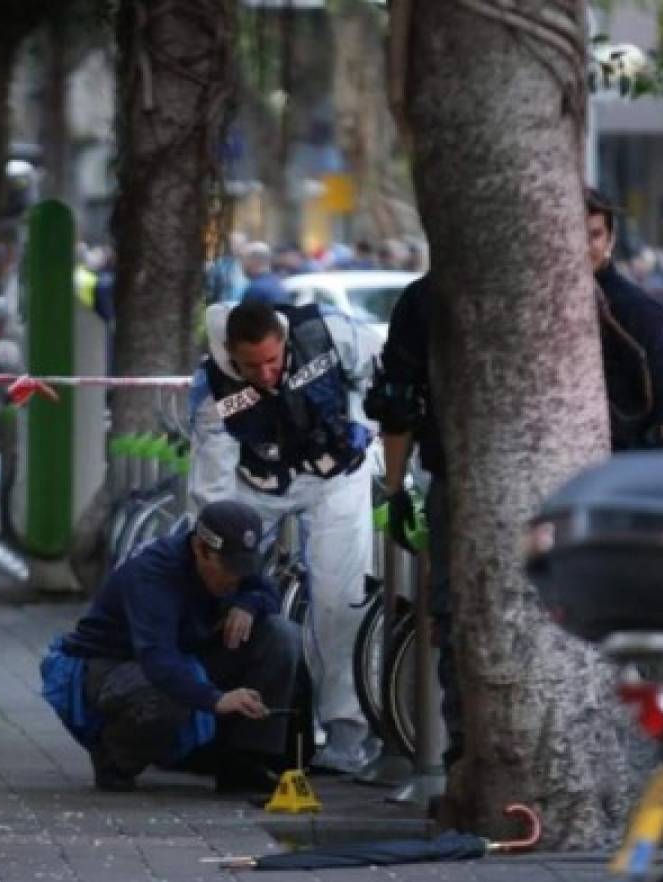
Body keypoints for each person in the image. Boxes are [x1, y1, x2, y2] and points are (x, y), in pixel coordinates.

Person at [188, 298, 379, 773]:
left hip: (337, 474)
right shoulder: (217, 392)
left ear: (284, 339)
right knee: (209, 582)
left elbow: (381, 373)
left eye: (273, 362)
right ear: (232, 355)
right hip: (259, 485)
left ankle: (346, 736)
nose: (267, 375)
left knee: (341, 599)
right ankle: (208, 723)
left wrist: (365, 426)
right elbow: (212, 490)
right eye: (252, 366)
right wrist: (221, 559)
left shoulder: (329, 335)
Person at [44, 500, 301, 793]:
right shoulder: (153, 574)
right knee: (166, 692)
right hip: (114, 666)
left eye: (242, 569)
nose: (235, 578)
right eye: (228, 569)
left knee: (281, 635)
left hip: (183, 654)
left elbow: (266, 591)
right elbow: (158, 660)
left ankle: (242, 763)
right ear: (200, 550)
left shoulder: (233, 561)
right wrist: (216, 699)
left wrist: (248, 604)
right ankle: (116, 758)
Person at [363, 273, 461, 769]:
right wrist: (396, 487)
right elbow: (397, 396)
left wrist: (396, 486)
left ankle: (458, 761)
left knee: (454, 619)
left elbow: (398, 398)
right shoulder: (424, 300)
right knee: (452, 618)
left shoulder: (424, 298)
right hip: (455, 481)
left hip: (453, 478)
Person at [586, 189, 663, 451]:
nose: (585, 246)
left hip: (627, 453)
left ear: (611, 238)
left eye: (594, 235)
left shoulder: (639, 308)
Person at [240, 241, 285, 306]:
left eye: (243, 259)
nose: (242, 265)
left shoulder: (256, 289)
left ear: (254, 261)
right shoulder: (277, 283)